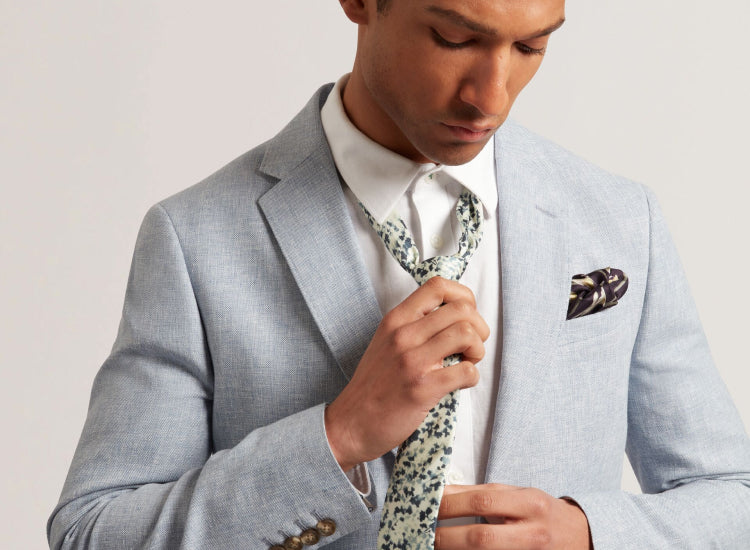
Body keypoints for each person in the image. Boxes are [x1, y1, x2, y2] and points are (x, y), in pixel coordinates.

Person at [48, 1, 750, 548]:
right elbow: (92, 533)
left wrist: (588, 534)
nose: (491, 96)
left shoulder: (619, 220)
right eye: (454, 39)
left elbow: (733, 496)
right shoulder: (196, 238)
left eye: (530, 47)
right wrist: (337, 437)